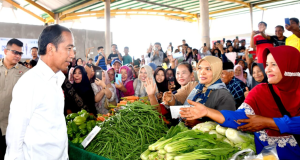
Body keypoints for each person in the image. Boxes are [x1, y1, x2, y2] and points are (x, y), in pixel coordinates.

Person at [180, 46, 300, 159]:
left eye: (274, 64)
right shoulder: (260, 91)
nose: (267, 69)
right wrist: (207, 112)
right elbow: (240, 117)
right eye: (267, 64)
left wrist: (269, 122)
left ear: (290, 66)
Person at [5, 25, 74, 159]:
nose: (72, 55)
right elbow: (15, 139)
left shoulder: (57, 79)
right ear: (51, 48)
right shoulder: (30, 83)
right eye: (69, 48)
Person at [162, 56, 236, 127]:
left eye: (208, 69)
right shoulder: (198, 88)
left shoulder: (224, 95)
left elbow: (229, 124)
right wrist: (171, 99)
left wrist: (199, 123)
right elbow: (185, 108)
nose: (202, 72)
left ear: (217, 71)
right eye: (200, 68)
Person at [0, 39, 29, 159]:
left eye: (20, 53)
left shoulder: (25, 73)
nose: (18, 56)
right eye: (15, 52)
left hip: (10, 127)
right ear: (5, 51)